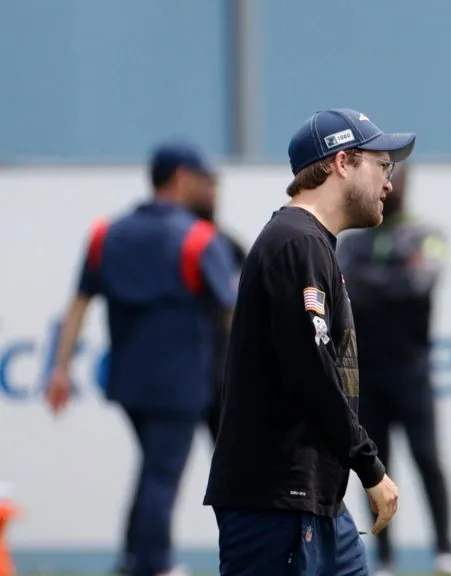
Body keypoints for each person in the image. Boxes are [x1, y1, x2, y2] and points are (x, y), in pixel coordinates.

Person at [204, 108, 414, 575]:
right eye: (382, 166)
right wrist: (370, 466)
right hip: (277, 502)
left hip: (314, 501)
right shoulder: (296, 242)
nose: (389, 184)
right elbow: (311, 369)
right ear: (342, 162)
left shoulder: (309, 242)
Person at [47, 141, 240, 576]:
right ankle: (153, 565)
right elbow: (233, 312)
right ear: (181, 178)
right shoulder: (197, 238)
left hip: (128, 383)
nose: (209, 187)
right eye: (204, 179)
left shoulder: (106, 233)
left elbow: (78, 304)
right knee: (162, 476)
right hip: (181, 382)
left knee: (153, 470)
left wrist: (60, 369)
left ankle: (133, 559)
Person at [336, 164, 451, 576]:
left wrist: (377, 283)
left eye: (396, 180)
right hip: (366, 375)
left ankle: (445, 551)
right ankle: (385, 559)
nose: (390, 188)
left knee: (428, 458)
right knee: (375, 465)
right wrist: (393, 279)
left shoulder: (428, 235)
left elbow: (421, 281)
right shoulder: (351, 240)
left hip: (412, 370)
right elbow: (346, 287)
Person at [189, 171, 248, 442]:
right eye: (205, 187)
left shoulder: (228, 245)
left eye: (214, 187)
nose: (211, 194)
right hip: (184, 369)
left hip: (222, 372)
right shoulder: (177, 241)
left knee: (234, 460)